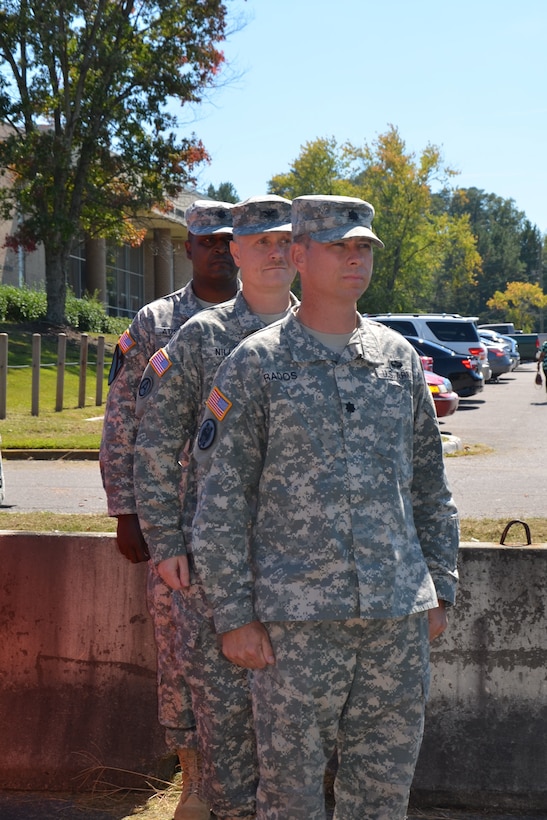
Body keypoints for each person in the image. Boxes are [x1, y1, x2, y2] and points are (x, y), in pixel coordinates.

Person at [191, 194, 460, 820]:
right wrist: (234, 615)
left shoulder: (399, 362)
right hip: (295, 627)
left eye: (362, 246)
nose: (354, 258)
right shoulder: (255, 365)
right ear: (299, 255)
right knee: (289, 799)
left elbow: (429, 488)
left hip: (396, 619)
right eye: (339, 245)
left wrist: (440, 589)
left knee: (383, 797)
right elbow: (220, 503)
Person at [133, 194, 297, 819]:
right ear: (235, 251)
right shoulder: (200, 338)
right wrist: (166, 541)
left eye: (287, 241)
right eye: (262, 242)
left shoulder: (321, 334)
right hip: (215, 571)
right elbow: (152, 443)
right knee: (225, 729)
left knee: (293, 744)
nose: (276, 252)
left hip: (299, 573)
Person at [99, 199, 239, 820]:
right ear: (187, 247)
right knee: (180, 655)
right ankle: (192, 785)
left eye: (229, 240)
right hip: (174, 518)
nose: (219, 250)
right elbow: (124, 417)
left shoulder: (278, 316)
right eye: (207, 240)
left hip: (254, 525)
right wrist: (127, 510)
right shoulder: (158, 321)